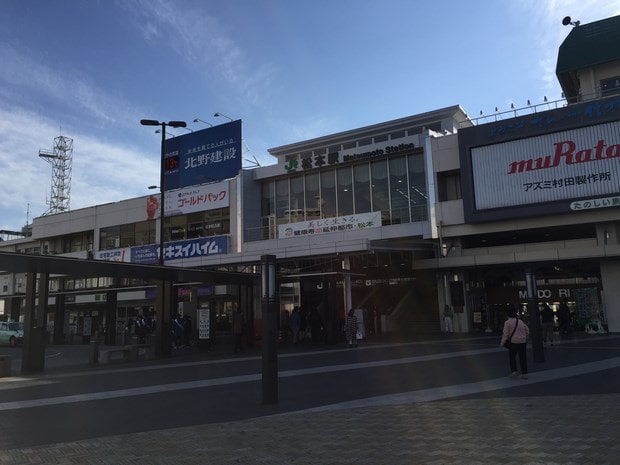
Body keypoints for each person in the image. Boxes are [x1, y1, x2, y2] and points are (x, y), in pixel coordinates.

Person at [500, 305, 530, 379]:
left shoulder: (507, 323)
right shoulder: (520, 321)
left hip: (513, 342)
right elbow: (527, 330)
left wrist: (502, 342)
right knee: (523, 357)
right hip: (522, 341)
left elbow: (505, 334)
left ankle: (514, 371)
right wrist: (525, 336)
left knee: (512, 357)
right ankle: (524, 373)